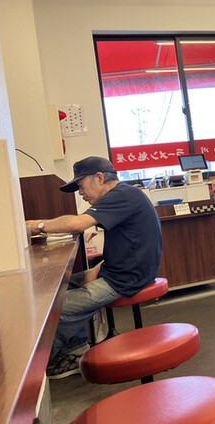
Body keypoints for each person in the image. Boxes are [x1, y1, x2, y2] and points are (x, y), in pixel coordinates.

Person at [27, 156, 163, 379]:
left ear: (99, 178)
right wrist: (97, 269)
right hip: (119, 270)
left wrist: (36, 226)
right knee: (59, 286)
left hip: (127, 279)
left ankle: (45, 367)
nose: (80, 193)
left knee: (54, 312)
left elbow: (78, 224)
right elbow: (129, 247)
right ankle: (75, 349)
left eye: (81, 186)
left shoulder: (122, 195)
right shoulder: (124, 195)